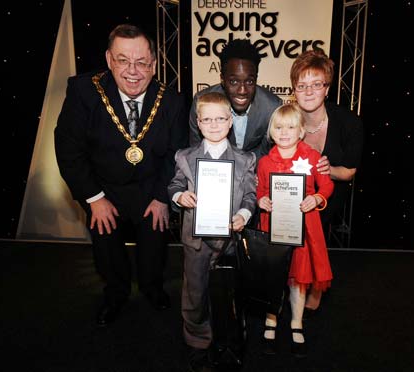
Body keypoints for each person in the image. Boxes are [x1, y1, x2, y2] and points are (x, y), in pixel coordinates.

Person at [54, 24, 188, 327]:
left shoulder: (172, 101)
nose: (133, 71)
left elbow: (176, 154)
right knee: (107, 249)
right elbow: (68, 150)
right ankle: (115, 295)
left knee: (154, 249)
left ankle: (152, 289)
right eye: (123, 60)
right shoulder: (83, 92)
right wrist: (94, 199)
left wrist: (161, 197)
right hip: (103, 188)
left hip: (151, 188)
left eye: (141, 62)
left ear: (153, 65)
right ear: (109, 59)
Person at [168, 92, 256, 372]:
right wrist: (179, 196)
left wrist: (244, 214)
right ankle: (197, 343)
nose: (214, 124)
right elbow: (173, 185)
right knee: (194, 294)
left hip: (230, 241)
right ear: (198, 122)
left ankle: (230, 341)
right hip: (196, 241)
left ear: (230, 122)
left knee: (228, 295)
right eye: (208, 119)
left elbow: (251, 196)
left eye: (221, 119)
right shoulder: (184, 157)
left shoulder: (245, 160)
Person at [256, 103, 334, 358]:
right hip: (273, 226)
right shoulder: (265, 162)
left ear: (301, 131)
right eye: (279, 127)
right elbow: (260, 193)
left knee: (299, 278)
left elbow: (326, 186)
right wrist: (262, 202)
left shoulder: (312, 157)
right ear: (271, 131)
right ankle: (271, 320)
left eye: (291, 127)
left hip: (304, 228)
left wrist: (317, 199)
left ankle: (296, 322)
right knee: (274, 275)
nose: (285, 132)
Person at [290, 50, 364, 314]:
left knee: (315, 237)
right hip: (293, 192)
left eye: (316, 84)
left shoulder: (348, 122)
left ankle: (317, 286)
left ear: (327, 88)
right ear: (294, 89)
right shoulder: (286, 119)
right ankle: (292, 283)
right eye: (302, 85)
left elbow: (350, 172)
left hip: (330, 195)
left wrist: (327, 169)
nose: (309, 92)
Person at [189, 38, 283, 162]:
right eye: (234, 82)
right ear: (222, 79)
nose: (242, 91)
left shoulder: (271, 106)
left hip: (254, 170)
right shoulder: (202, 102)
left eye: (249, 81)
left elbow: (268, 153)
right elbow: (196, 149)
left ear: (256, 78)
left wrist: (247, 173)